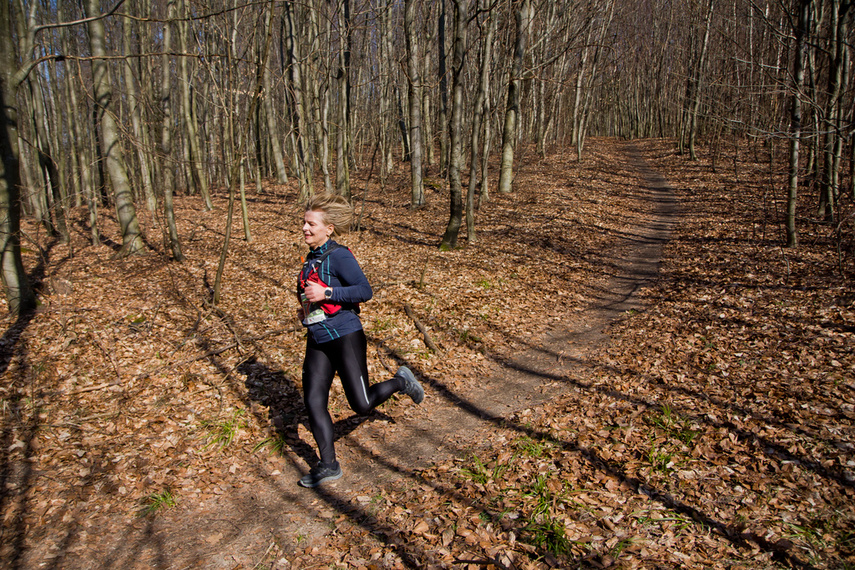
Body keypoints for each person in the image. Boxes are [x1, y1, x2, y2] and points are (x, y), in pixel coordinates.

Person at [295, 192, 424, 488]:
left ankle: (400, 382)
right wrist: (305, 310)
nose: (305, 228)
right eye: (304, 222)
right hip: (317, 337)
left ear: (328, 229)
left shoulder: (339, 255)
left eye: (311, 224)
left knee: (362, 404)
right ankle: (328, 465)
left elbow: (364, 291)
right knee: (314, 401)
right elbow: (308, 296)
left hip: (345, 334)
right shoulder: (308, 262)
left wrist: (327, 294)